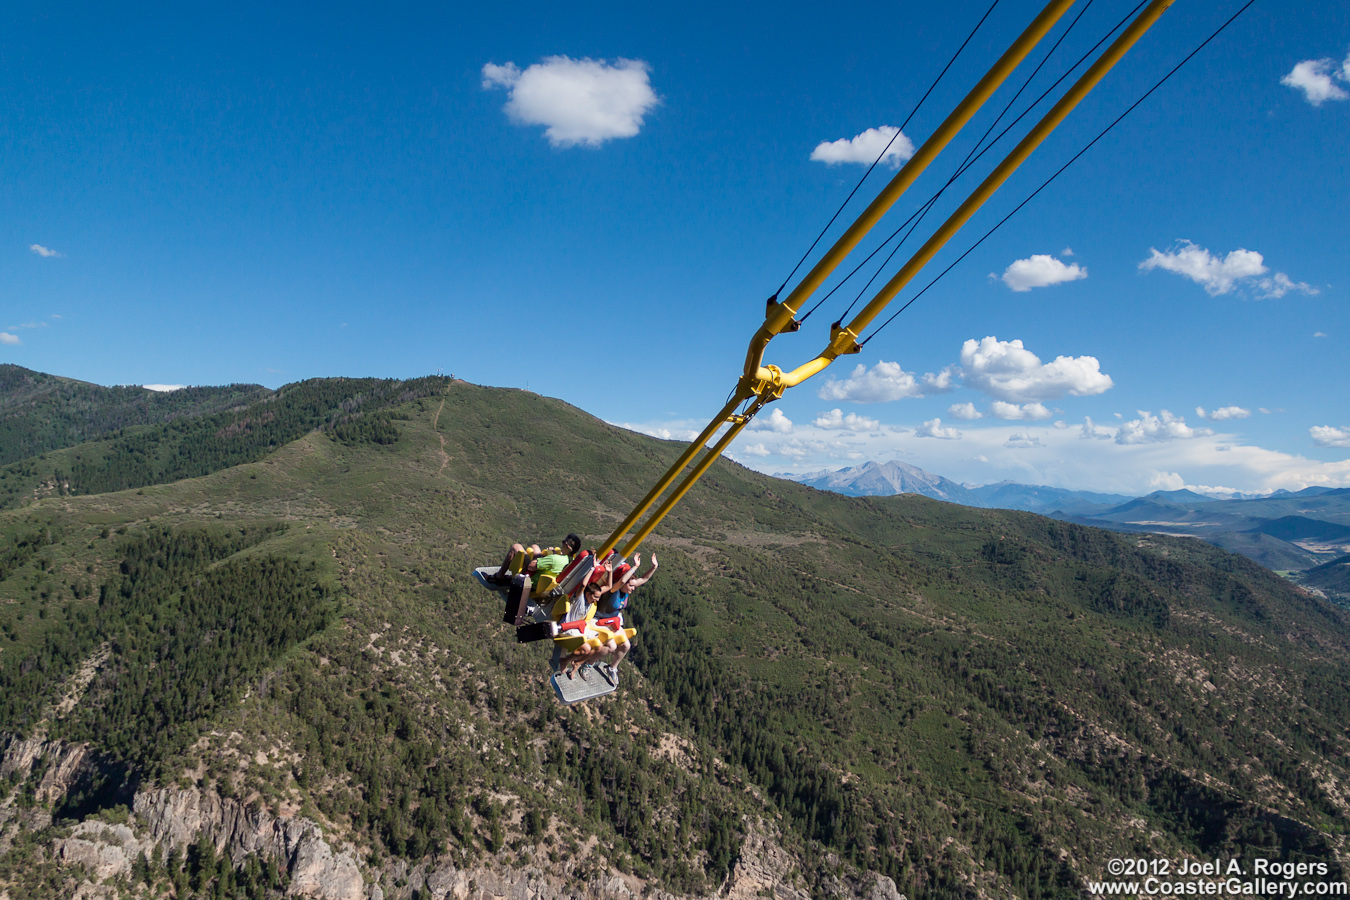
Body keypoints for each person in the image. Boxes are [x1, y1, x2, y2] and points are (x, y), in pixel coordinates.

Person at [592, 552, 657, 681]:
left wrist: (654, 567)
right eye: (631, 585)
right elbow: (622, 580)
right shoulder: (613, 590)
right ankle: (588, 664)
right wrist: (635, 566)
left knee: (626, 645)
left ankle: (612, 668)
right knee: (611, 646)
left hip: (611, 622)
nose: (633, 588)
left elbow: (644, 579)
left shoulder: (626, 589)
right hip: (599, 621)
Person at [489, 533, 581, 585]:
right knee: (535, 547)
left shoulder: (554, 558)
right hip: (548, 578)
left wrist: (548, 557)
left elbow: (531, 566)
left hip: (532, 578)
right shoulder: (571, 561)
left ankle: (499, 576)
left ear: (567, 546)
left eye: (563, 542)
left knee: (516, 547)